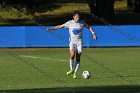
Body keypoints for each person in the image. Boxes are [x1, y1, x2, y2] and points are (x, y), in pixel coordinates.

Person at [47, 10, 97, 79]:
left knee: (78, 58)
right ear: (73, 17)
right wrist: (51, 28)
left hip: (79, 42)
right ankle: (71, 70)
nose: (78, 18)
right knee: (72, 55)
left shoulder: (82, 23)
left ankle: (75, 73)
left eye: (78, 17)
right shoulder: (69, 23)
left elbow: (89, 27)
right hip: (72, 42)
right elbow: (60, 26)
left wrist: (93, 34)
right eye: (76, 17)